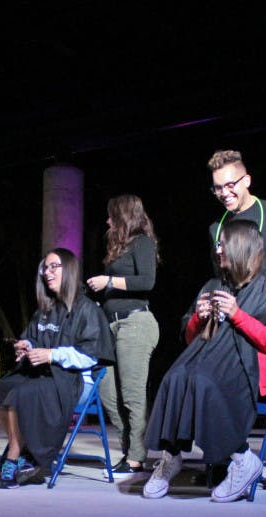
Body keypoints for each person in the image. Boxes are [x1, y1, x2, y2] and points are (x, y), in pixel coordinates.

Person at [143, 219, 266, 502]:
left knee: (204, 382)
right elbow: (190, 338)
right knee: (174, 378)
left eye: (222, 244)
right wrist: (198, 318)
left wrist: (238, 315)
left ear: (240, 247)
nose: (217, 250)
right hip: (209, 358)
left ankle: (242, 458)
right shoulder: (214, 285)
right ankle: (171, 456)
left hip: (247, 365)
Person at [206, 149, 266, 489]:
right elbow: (219, 278)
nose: (224, 193)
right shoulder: (217, 227)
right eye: (217, 188)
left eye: (230, 184)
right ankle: (225, 458)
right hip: (232, 320)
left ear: (246, 180)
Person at [0, 248, 114, 488]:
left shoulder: (87, 309)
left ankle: (14, 454)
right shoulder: (45, 310)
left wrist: (51, 355)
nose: (47, 272)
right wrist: (27, 347)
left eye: (54, 266)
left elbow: (90, 356)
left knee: (20, 394)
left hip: (75, 380)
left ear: (69, 270)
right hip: (44, 375)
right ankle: (25, 453)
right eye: (45, 267)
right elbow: (36, 340)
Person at [86, 194, 160, 476]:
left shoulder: (142, 242)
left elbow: (147, 281)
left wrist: (108, 280)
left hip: (135, 323)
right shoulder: (118, 248)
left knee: (132, 394)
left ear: (123, 216)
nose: (107, 221)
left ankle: (136, 457)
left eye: (111, 216)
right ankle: (129, 450)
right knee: (107, 391)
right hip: (110, 326)